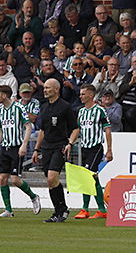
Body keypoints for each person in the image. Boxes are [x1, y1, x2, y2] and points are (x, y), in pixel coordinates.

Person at [32, 79, 79, 223]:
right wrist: (36, 149)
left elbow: (75, 129)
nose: (45, 90)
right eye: (44, 88)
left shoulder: (65, 107)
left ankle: (62, 208)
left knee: (52, 177)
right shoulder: (44, 107)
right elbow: (42, 130)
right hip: (46, 147)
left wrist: (70, 143)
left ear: (56, 89)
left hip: (60, 146)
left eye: (48, 88)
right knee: (50, 181)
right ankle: (58, 211)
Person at [0, 85, 41, 217]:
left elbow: (28, 126)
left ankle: (34, 197)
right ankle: (8, 210)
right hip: (4, 147)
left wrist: (24, 145)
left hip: (16, 147)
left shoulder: (19, 107)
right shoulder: (0, 109)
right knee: (2, 179)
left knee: (15, 179)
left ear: (4, 95)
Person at [73, 84, 112, 219]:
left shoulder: (99, 110)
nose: (81, 96)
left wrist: (109, 150)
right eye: (80, 94)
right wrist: (70, 143)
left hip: (95, 148)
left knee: (87, 176)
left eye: (83, 94)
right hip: (84, 147)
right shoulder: (81, 112)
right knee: (93, 178)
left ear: (91, 95)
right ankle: (101, 209)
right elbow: (77, 129)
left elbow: (107, 130)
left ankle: (85, 209)